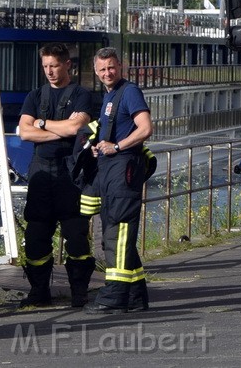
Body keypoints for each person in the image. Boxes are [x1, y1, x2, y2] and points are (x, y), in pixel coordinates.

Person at [17, 43, 95, 308]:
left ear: (67, 65)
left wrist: (41, 123)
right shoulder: (35, 96)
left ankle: (79, 291)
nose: (49, 71)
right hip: (41, 172)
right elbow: (24, 132)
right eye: (45, 66)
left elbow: (76, 127)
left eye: (54, 65)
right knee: (37, 235)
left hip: (69, 173)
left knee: (76, 236)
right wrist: (59, 130)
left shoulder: (82, 95)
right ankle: (39, 291)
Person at [84, 47, 154, 315]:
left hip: (124, 167)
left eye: (111, 67)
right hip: (111, 168)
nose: (106, 73)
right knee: (116, 231)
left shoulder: (129, 91)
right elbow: (109, 133)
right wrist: (98, 147)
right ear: (95, 70)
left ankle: (114, 296)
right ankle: (135, 296)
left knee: (118, 232)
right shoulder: (109, 96)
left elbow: (145, 128)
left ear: (120, 66)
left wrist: (118, 146)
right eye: (101, 69)